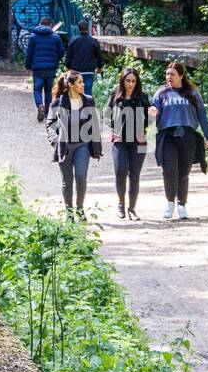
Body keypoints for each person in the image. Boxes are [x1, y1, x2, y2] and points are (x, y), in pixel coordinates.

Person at [147, 62, 208, 220]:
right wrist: (153, 113)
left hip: (188, 135)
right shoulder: (161, 93)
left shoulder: (192, 93)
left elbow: (202, 115)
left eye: (172, 74)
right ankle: (170, 203)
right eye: (167, 74)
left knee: (183, 172)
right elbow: (153, 111)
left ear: (181, 76)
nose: (169, 77)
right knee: (169, 170)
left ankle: (182, 205)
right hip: (167, 136)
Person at [47, 70, 102, 217]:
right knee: (67, 180)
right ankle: (69, 213)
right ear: (71, 85)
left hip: (82, 145)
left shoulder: (89, 100)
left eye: (83, 82)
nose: (83, 85)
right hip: (64, 145)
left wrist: (97, 146)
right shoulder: (58, 103)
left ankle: (79, 209)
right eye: (79, 82)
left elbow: (94, 124)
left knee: (80, 176)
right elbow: (50, 124)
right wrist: (55, 141)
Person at [107, 66, 151, 220]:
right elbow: (107, 116)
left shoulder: (143, 98)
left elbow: (150, 119)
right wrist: (113, 130)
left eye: (133, 81)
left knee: (134, 175)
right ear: (122, 81)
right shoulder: (115, 97)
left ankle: (132, 208)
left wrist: (150, 118)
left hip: (138, 142)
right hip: (120, 142)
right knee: (120, 173)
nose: (130, 84)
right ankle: (121, 204)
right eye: (128, 80)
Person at [25, 15, 65, 122]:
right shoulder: (56, 37)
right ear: (51, 25)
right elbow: (62, 52)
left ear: (40, 23)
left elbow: (29, 53)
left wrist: (28, 66)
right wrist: (55, 59)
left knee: (37, 89)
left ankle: (39, 105)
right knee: (48, 91)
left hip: (37, 69)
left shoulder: (33, 37)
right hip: (51, 68)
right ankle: (47, 112)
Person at [65, 19, 104, 95]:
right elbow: (99, 56)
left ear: (79, 29)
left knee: (75, 92)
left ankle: (77, 106)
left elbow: (68, 56)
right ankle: (87, 106)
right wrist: (99, 67)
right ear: (88, 28)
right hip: (89, 71)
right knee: (87, 92)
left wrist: (68, 66)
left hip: (75, 71)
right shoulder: (93, 41)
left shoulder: (73, 40)